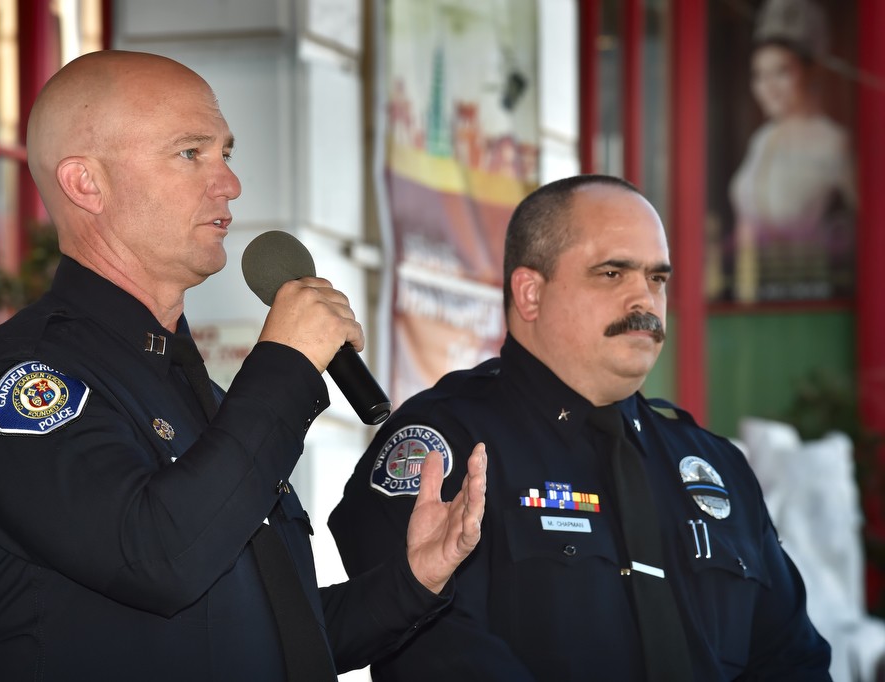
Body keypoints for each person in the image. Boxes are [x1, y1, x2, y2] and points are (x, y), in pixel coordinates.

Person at [0, 49, 487, 681]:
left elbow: (267, 637)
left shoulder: (201, 396)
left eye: (227, 153)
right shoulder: (23, 380)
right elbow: (160, 559)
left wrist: (413, 580)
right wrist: (287, 364)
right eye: (191, 153)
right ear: (87, 183)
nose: (229, 184)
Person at [330, 174, 831, 680]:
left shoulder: (713, 465)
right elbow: (436, 655)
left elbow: (793, 659)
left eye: (657, 278)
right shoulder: (447, 444)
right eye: (613, 274)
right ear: (530, 293)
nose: (645, 301)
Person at [728, 0, 856, 302]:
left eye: (781, 72)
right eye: (759, 75)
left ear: (809, 72)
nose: (767, 87)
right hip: (750, 296)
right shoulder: (762, 139)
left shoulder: (834, 143)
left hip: (808, 295)